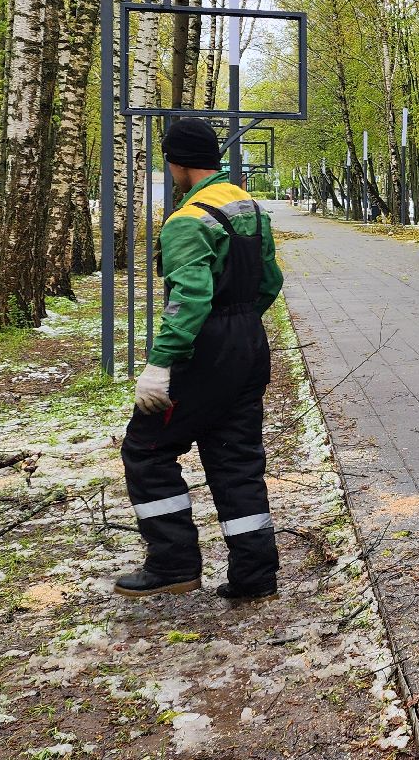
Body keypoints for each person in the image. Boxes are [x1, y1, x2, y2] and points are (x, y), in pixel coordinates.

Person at [120, 117, 285, 600]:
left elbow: (189, 298)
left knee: (146, 449)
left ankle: (173, 563)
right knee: (236, 458)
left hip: (206, 349)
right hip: (249, 344)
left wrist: (161, 363)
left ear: (176, 162)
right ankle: (255, 577)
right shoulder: (247, 205)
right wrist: (241, 323)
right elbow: (270, 282)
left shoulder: (186, 221)